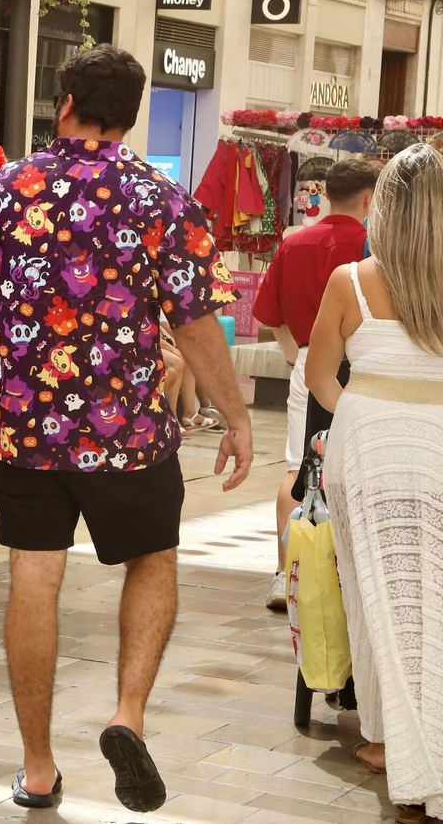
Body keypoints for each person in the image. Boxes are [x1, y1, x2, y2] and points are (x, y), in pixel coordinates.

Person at [0, 45, 251, 814]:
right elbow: (195, 323)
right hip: (127, 430)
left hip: (27, 430)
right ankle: (126, 714)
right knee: (153, 561)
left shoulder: (9, 188)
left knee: (36, 577)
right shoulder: (160, 197)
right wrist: (234, 416)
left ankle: (38, 770)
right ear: (131, 113)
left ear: (64, 103)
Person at [308, 144, 443, 824]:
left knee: (378, 594)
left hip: (366, 449)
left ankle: (394, 742)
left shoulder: (350, 281)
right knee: (436, 595)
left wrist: (357, 417)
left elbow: (319, 377)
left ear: (381, 207)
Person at [253, 158, 375, 611]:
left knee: (298, 468)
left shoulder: (296, 243)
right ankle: (346, 574)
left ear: (325, 195)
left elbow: (270, 316)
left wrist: (298, 357)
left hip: (308, 362)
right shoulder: (374, 244)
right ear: (369, 199)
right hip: (365, 362)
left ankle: (287, 574)